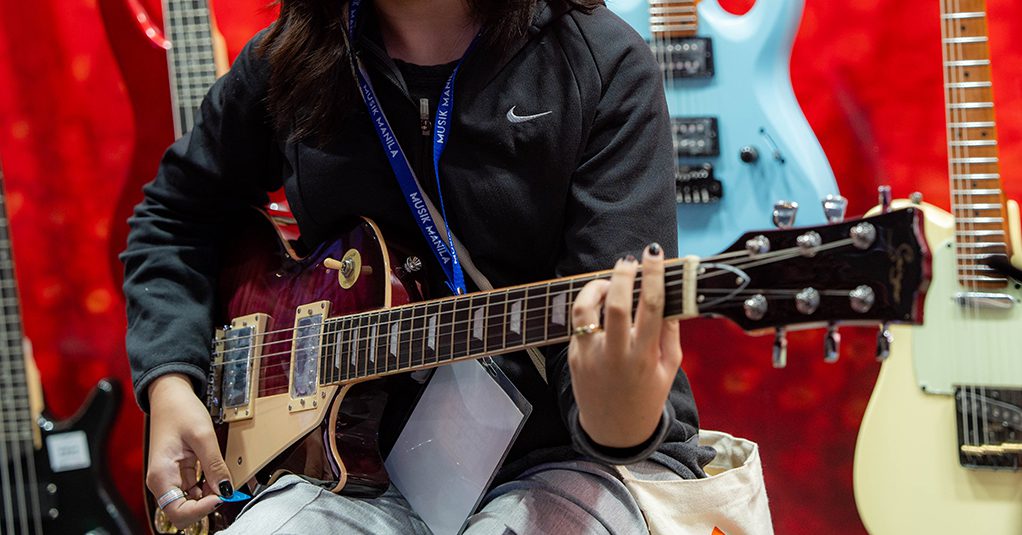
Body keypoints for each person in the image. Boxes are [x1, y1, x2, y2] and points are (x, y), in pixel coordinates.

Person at [122, 0, 716, 532]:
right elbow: (177, 214)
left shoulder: (600, 61)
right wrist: (172, 379)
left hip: (572, 456)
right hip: (354, 471)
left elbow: (618, 406)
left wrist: (621, 411)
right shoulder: (293, 56)